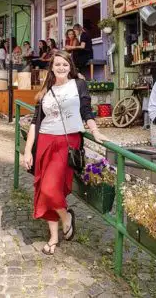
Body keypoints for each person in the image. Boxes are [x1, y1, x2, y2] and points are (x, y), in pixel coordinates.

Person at [23, 51, 108, 255]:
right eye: (57, 64)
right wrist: (27, 151)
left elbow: (86, 110)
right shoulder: (46, 90)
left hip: (67, 142)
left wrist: (95, 130)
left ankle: (66, 218)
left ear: (70, 67)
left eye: (65, 64)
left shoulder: (78, 85)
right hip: (45, 141)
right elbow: (36, 122)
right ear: (51, 67)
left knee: (51, 189)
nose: (61, 68)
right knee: (45, 189)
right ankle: (53, 236)